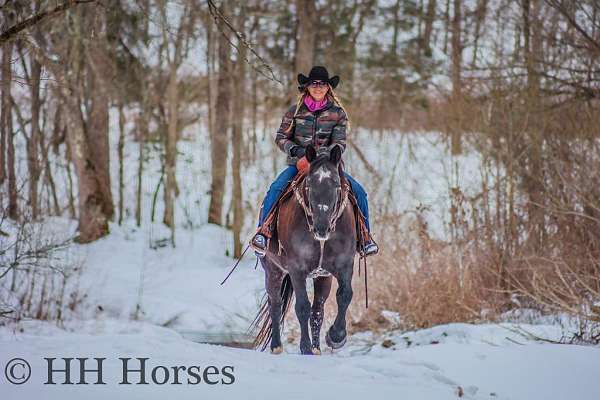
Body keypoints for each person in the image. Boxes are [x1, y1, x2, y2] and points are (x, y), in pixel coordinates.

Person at [250, 66, 378, 257]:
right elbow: (280, 137)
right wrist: (297, 151)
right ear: (307, 87)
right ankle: (264, 232)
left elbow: (339, 142)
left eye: (322, 84)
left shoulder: (338, 114)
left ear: (328, 88)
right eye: (314, 84)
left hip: (329, 167)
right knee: (276, 188)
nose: (318, 88)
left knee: (359, 192)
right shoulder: (294, 112)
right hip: (299, 165)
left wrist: (324, 158)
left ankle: (365, 238)